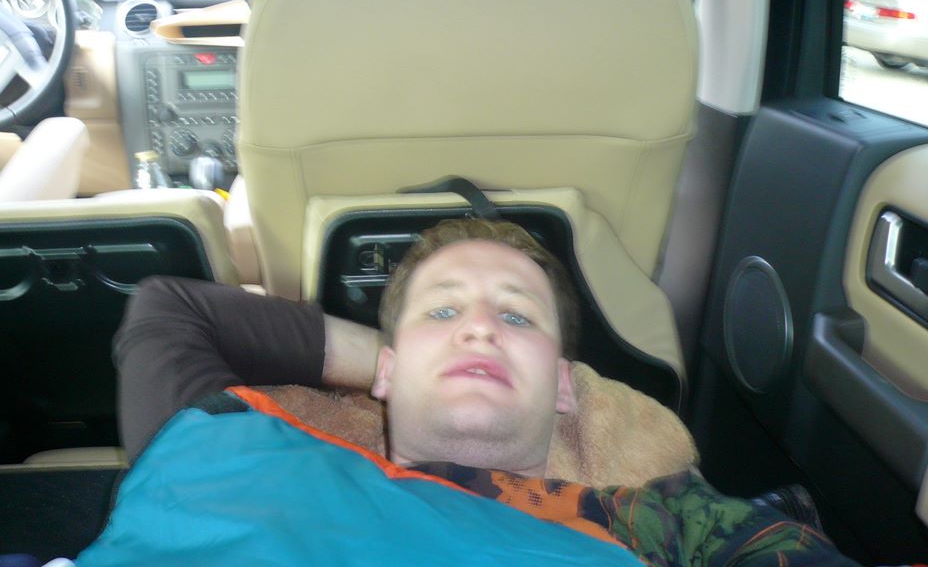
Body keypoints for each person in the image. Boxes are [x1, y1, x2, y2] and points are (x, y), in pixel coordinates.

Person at [104, 218, 857, 567]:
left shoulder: (663, 521)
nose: (479, 328)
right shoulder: (239, 445)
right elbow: (171, 308)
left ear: (565, 385)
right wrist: (399, 363)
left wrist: (426, 350)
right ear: (381, 372)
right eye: (444, 311)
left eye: (516, 317)